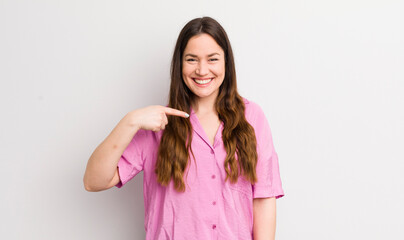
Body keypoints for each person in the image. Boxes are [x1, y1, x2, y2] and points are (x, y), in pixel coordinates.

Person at [83, 16, 284, 240]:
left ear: (226, 62)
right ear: (180, 64)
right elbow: (94, 181)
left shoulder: (252, 117)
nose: (202, 69)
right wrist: (130, 121)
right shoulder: (157, 123)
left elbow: (264, 197)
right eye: (191, 59)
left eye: (212, 59)